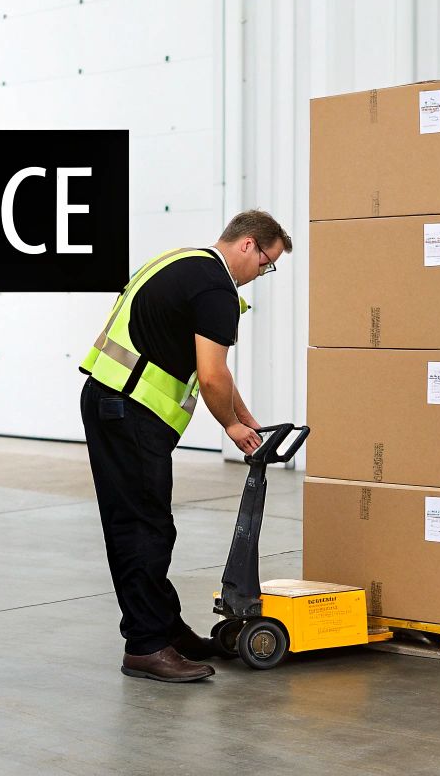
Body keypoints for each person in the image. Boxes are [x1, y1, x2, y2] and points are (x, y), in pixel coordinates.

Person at [77, 209, 292, 683]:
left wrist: (248, 418)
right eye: (266, 263)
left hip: (111, 401)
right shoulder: (217, 290)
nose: (262, 274)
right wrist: (232, 429)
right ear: (248, 245)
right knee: (143, 528)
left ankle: (166, 629)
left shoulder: (182, 262)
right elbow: (212, 375)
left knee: (146, 524)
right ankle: (147, 646)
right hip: (130, 412)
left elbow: (211, 371)